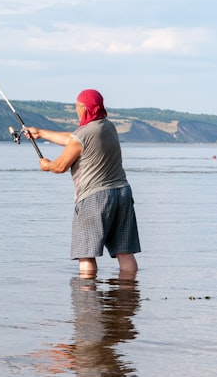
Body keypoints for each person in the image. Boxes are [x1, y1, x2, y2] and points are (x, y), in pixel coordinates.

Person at [23, 89, 140, 277]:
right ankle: (129, 295)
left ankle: (87, 302)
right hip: (122, 193)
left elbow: (60, 166)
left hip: (95, 198)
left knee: (86, 254)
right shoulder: (107, 126)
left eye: (77, 106)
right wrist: (41, 133)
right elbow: (74, 139)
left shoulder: (84, 134)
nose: (75, 110)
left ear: (84, 108)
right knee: (125, 251)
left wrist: (46, 165)